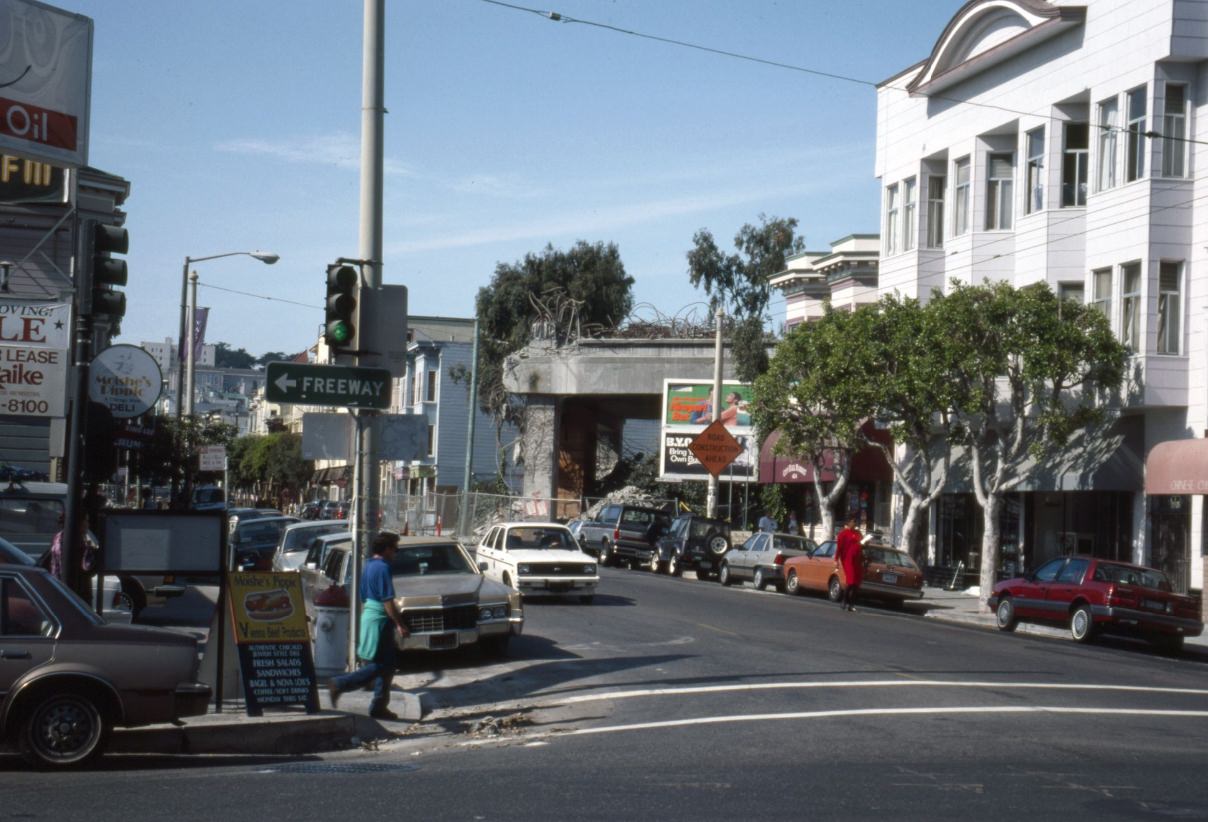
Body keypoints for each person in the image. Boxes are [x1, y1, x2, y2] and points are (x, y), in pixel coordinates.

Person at [327, 531, 411, 719]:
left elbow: (364, 596)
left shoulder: (369, 566)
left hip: (370, 615)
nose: (395, 553)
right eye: (395, 549)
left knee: (387, 665)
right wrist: (399, 623)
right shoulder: (383, 567)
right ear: (387, 549)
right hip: (380, 619)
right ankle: (340, 684)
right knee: (380, 665)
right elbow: (388, 600)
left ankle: (379, 706)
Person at [834, 517, 864, 612]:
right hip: (848, 560)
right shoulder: (843, 534)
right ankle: (844, 600)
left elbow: (862, 545)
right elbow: (839, 548)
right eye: (853, 522)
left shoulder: (858, 534)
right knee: (850, 581)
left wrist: (865, 543)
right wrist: (836, 560)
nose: (854, 524)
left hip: (857, 560)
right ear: (848, 523)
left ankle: (851, 604)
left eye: (855, 522)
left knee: (856, 582)